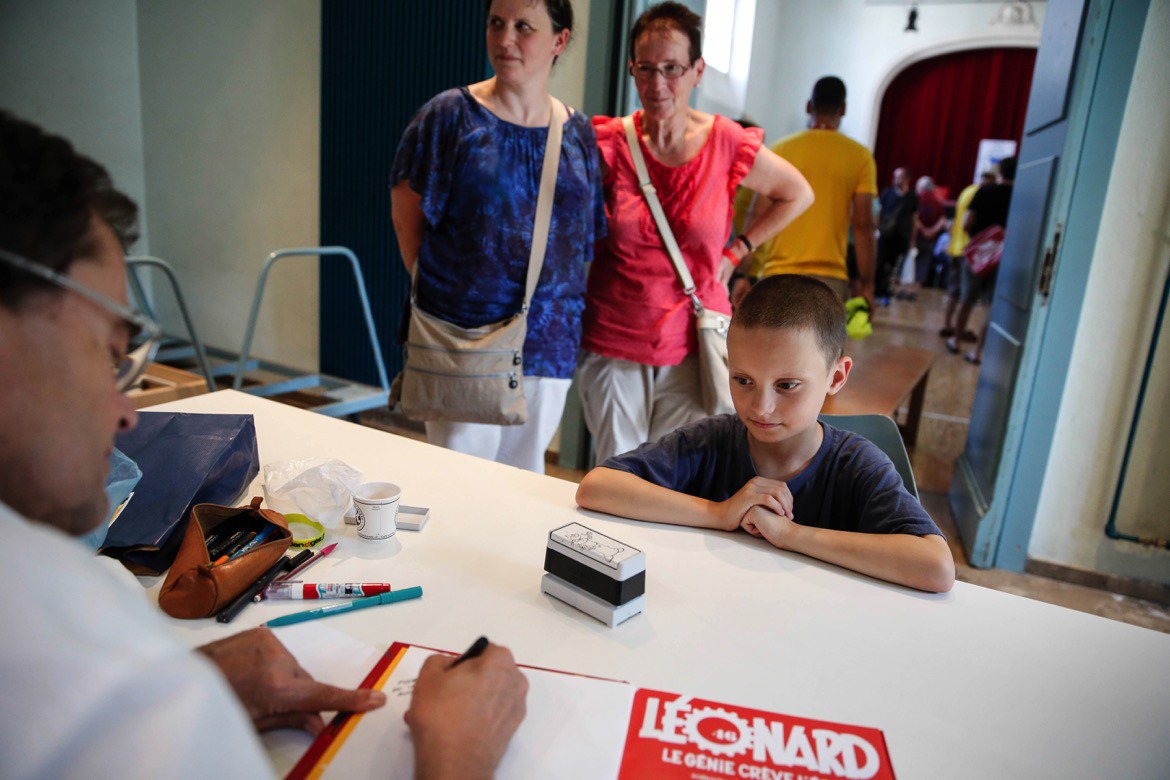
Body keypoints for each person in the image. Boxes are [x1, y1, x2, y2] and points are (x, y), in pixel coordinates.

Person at [0, 110, 528, 778]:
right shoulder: (54, 647)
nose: (126, 415)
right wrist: (459, 755)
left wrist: (186, 681)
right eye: (106, 357)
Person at [575, 275, 955, 594]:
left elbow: (936, 567)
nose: (760, 407)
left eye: (787, 385)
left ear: (836, 376)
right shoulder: (711, 440)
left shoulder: (858, 465)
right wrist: (720, 513)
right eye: (743, 380)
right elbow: (596, 487)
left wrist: (790, 535)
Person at [578, 2, 814, 465]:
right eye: (646, 69)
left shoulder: (726, 142)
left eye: (672, 68)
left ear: (697, 71)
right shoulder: (609, 142)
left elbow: (797, 193)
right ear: (632, 69)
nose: (658, 84)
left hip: (694, 341)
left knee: (676, 472)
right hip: (615, 339)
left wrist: (736, 252)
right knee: (618, 471)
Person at [391, 0, 605, 474]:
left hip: (548, 340)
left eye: (524, 27)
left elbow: (582, 240)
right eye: (496, 24)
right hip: (462, 336)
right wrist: (446, 294)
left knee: (525, 482)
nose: (505, 39)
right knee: (458, 480)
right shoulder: (450, 116)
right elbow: (407, 219)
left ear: (559, 40)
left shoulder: (577, 133)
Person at [738, 76, 877, 306]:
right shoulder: (860, 156)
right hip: (828, 281)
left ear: (808, 106)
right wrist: (867, 285)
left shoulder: (780, 149)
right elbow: (863, 225)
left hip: (777, 276)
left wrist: (743, 273)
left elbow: (758, 215)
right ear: (843, 109)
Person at [946, 156, 1017, 364]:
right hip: (1002, 255)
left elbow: (967, 222)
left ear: (1000, 172)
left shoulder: (984, 191)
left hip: (977, 254)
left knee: (966, 300)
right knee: (990, 305)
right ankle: (978, 352)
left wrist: (977, 240)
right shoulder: (1019, 195)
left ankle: (956, 341)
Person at [939, 170, 995, 341]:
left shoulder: (966, 191)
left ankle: (948, 324)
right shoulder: (981, 194)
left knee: (954, 291)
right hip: (968, 250)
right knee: (967, 296)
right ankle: (959, 331)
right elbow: (968, 223)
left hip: (955, 247)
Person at [874, 167, 917, 304]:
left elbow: (914, 218)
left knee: (894, 267)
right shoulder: (887, 193)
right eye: (895, 176)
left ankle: (887, 290)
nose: (896, 179)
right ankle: (877, 290)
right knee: (880, 263)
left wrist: (912, 238)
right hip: (885, 235)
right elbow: (879, 211)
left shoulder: (912, 197)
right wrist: (876, 228)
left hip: (901, 237)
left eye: (899, 177)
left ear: (907, 179)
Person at [909, 175, 946, 291]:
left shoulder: (916, 199)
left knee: (911, 261)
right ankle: (917, 287)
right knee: (923, 262)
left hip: (916, 236)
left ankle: (906, 287)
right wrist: (932, 231)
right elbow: (943, 220)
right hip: (930, 238)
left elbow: (914, 217)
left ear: (921, 187)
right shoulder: (938, 201)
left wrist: (923, 229)